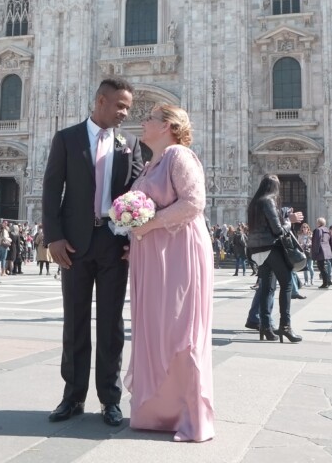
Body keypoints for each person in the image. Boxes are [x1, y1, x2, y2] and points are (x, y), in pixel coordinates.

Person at [42, 77, 143, 427]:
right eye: (120, 105)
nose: (125, 113)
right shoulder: (67, 138)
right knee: (75, 320)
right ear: (101, 101)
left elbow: (136, 193)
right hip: (73, 242)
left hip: (113, 243)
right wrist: (53, 237)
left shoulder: (129, 143)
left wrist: (133, 239)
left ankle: (110, 400)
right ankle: (72, 397)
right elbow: (52, 188)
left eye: (127, 107)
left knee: (112, 324)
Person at [126, 105, 214, 442]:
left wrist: (149, 224)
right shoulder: (151, 163)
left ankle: (190, 415)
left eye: (149, 118)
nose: (142, 122)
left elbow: (194, 203)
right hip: (154, 254)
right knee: (157, 329)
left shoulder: (179, 155)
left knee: (180, 329)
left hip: (179, 252)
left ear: (168, 127)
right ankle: (160, 412)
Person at [247, 174, 302, 344]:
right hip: (270, 248)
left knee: (266, 288)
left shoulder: (253, 203)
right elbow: (278, 230)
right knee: (286, 285)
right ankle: (285, 327)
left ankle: (265, 327)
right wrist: (289, 221)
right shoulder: (268, 201)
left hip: (257, 250)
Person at [312, 217, 332, 289]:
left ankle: (325, 283)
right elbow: (330, 241)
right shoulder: (327, 230)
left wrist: (315, 252)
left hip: (320, 251)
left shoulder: (318, 230)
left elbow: (316, 241)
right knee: (322, 267)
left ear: (319, 223)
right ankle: (328, 281)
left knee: (321, 267)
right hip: (326, 250)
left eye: (317, 222)